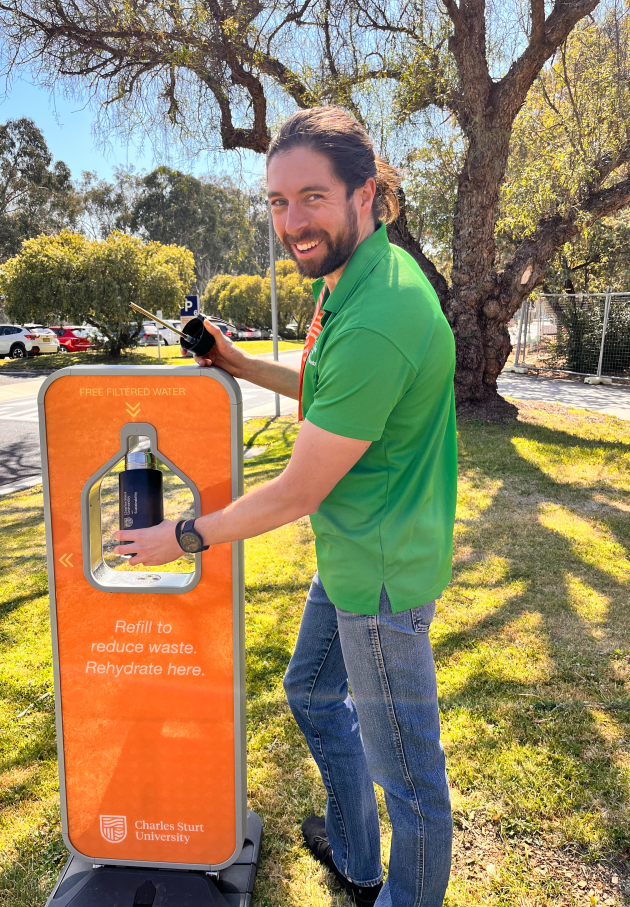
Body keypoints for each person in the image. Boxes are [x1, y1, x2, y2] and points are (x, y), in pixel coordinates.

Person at [113, 106, 457, 907]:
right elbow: (332, 396)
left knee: (410, 782)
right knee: (308, 691)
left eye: (312, 198)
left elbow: (299, 489)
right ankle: (355, 855)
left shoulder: (380, 312)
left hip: (379, 577)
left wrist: (185, 535)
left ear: (365, 194)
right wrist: (234, 361)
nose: (291, 222)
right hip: (352, 551)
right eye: (276, 202)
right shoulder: (353, 280)